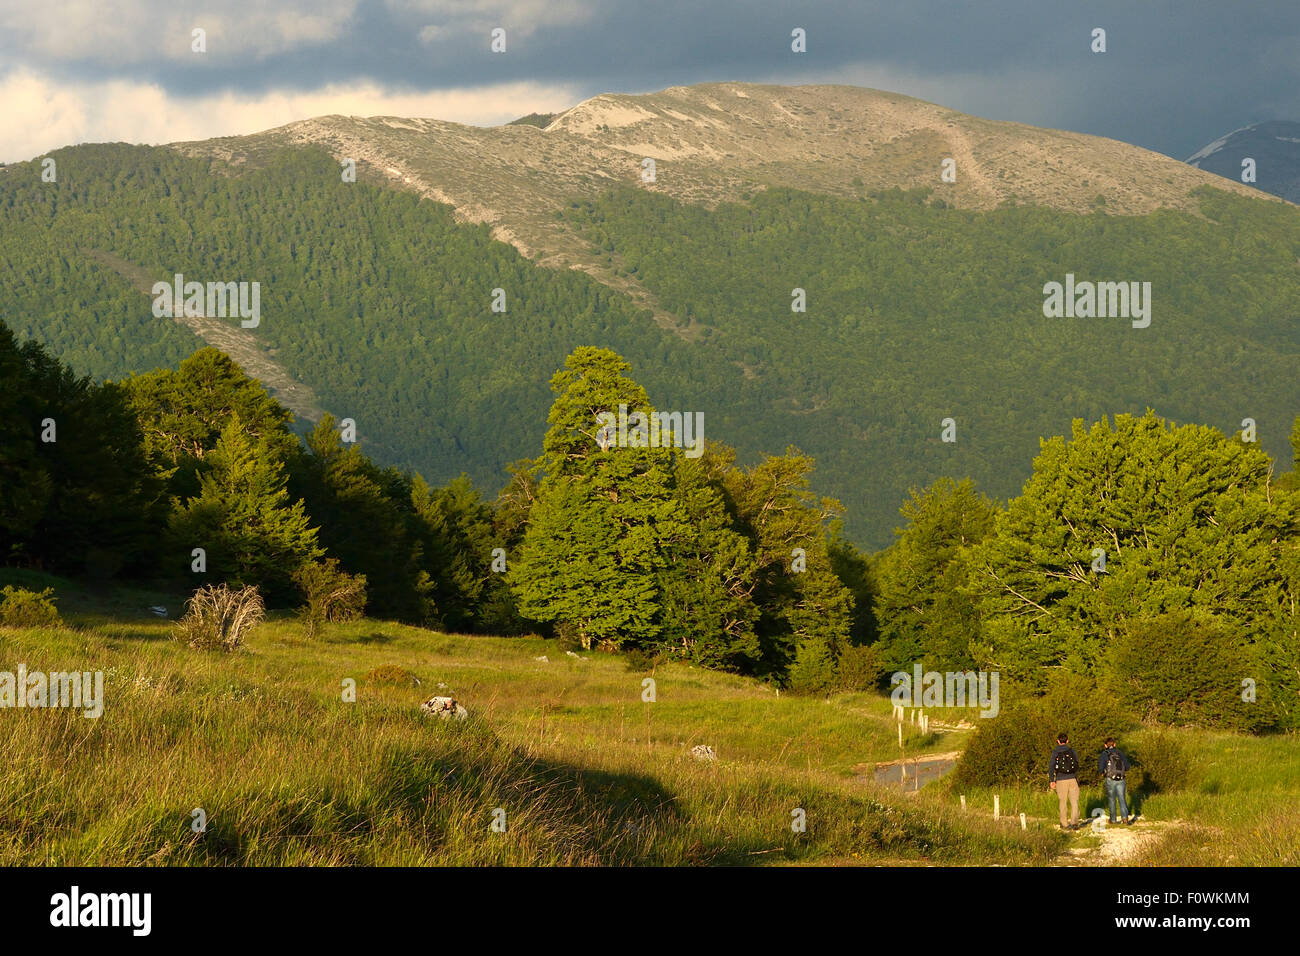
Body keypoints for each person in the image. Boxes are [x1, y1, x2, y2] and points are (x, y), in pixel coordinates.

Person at [1048, 731, 1081, 830]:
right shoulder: (1072, 751)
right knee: (1074, 802)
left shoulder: (1055, 751)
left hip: (1060, 779)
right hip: (1072, 779)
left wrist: (1051, 780)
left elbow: (1051, 766)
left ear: (1058, 741)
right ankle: (1074, 823)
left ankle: (1064, 824)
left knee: (1063, 802)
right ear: (1067, 740)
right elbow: (1077, 764)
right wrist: (1075, 776)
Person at [1098, 736, 1133, 825]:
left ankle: (1113, 820)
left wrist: (1102, 773)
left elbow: (1100, 768)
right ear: (1115, 744)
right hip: (1121, 779)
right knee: (1122, 798)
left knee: (1111, 799)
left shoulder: (1104, 754)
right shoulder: (1120, 753)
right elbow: (1127, 766)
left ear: (1105, 745)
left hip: (1110, 779)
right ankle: (1125, 818)